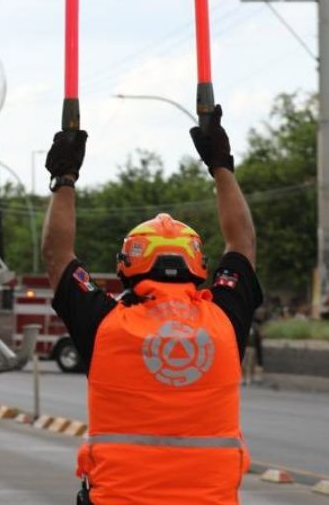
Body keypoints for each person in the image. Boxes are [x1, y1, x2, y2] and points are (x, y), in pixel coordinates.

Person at [41, 105, 262, 504]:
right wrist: (221, 164)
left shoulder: (106, 326)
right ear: (197, 265)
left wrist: (64, 176)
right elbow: (243, 242)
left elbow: (57, 256)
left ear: (128, 266)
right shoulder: (223, 323)